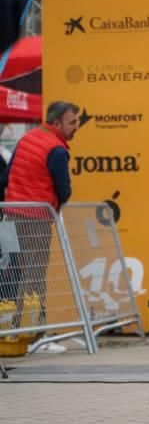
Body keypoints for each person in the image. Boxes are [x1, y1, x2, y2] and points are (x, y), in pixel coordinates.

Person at [0, 101, 81, 354]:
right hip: (35, 218)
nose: (77, 126)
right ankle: (34, 336)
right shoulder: (56, 150)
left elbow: (7, 175)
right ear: (56, 123)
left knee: (11, 273)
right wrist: (57, 204)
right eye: (72, 122)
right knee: (34, 276)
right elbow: (63, 188)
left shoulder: (27, 138)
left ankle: (9, 330)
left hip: (10, 215)